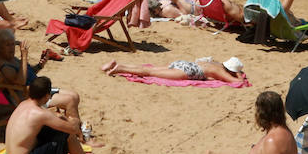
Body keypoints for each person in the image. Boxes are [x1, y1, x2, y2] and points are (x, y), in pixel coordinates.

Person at [101, 56, 246, 84]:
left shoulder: (214, 64)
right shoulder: (220, 72)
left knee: (151, 69)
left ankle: (118, 64)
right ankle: (118, 68)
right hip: (186, 72)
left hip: (182, 63)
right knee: (150, 72)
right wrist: (239, 74)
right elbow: (238, 82)